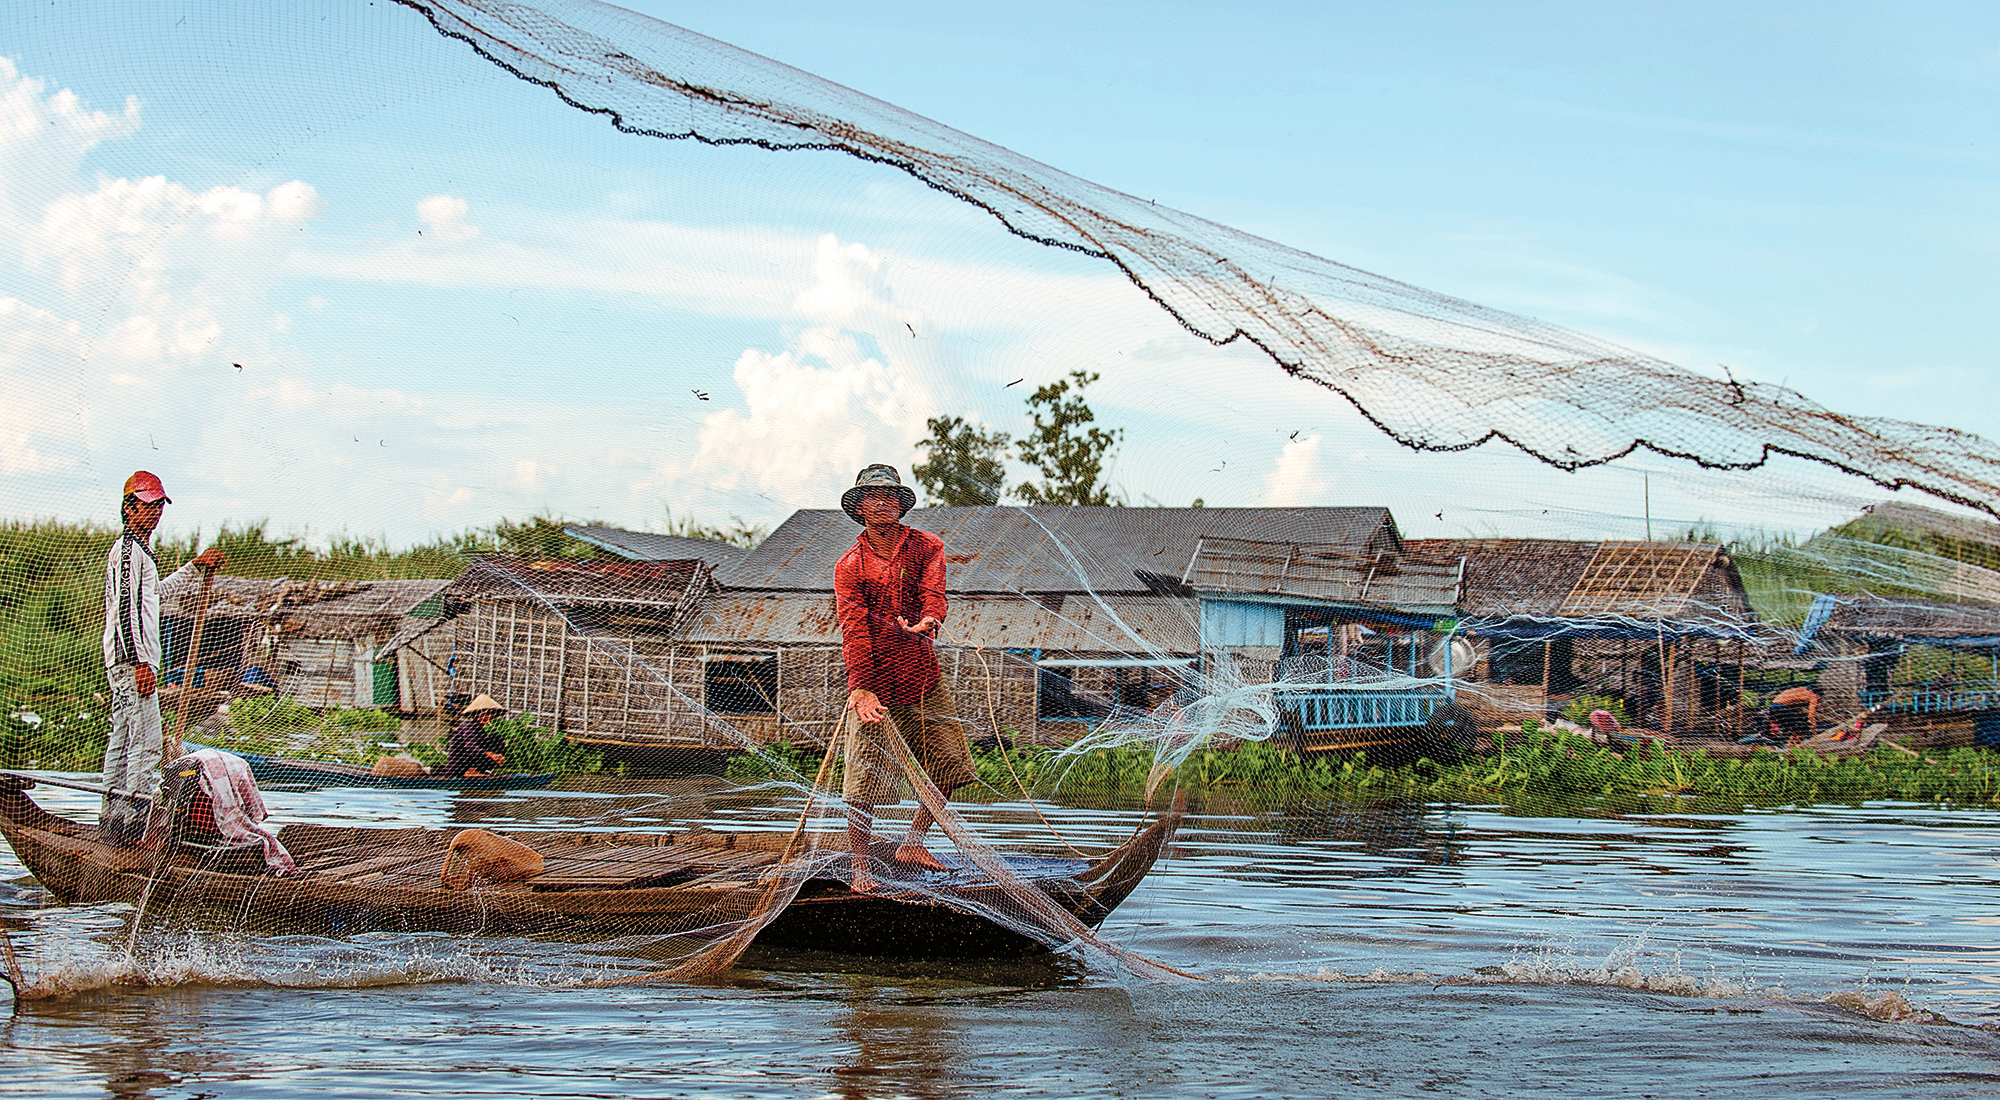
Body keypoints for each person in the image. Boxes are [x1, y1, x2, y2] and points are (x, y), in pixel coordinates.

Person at [833, 464, 977, 894]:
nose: (881, 503)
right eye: (872, 497)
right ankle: (861, 866)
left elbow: (935, 593)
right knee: (862, 777)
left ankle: (912, 843)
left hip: (920, 673)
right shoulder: (849, 566)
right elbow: (853, 627)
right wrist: (859, 688)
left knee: (950, 763)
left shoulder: (927, 546)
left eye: (889, 496)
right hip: (873, 680)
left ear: (900, 504)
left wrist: (931, 619)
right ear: (859, 507)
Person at [99, 471, 225, 845]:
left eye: (158, 506)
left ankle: (113, 822)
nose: (154, 513)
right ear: (129, 508)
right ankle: (133, 826)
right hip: (130, 663)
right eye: (146, 505)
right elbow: (126, 611)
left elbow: (155, 595)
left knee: (123, 740)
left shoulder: (141, 554)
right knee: (147, 743)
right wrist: (140, 663)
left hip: (129, 662)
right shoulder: (127, 552)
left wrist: (193, 568)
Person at [444, 693, 509, 777]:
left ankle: (479, 770)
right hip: (458, 768)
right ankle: (469, 771)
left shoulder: (482, 730)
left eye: (489, 714)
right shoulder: (468, 726)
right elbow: (471, 747)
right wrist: (490, 754)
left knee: (495, 739)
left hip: (474, 764)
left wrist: (496, 756)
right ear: (476, 714)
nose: (487, 716)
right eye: (483, 714)